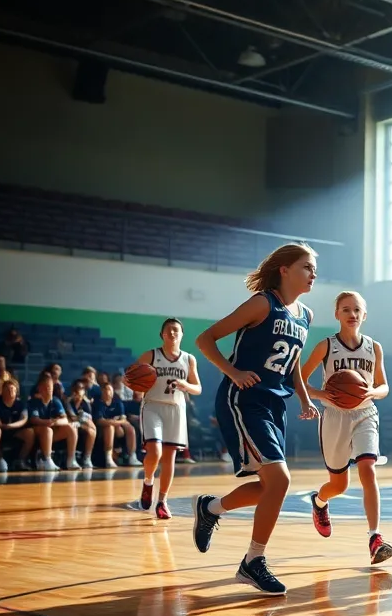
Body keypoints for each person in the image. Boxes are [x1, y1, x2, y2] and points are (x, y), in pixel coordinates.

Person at [191, 242, 320, 596]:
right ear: (285, 269)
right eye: (307, 267)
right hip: (244, 400)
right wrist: (232, 372)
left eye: (314, 268)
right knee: (280, 481)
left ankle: (210, 508)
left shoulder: (305, 315)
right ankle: (253, 562)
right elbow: (205, 339)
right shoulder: (263, 303)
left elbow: (291, 363)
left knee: (268, 486)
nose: (313, 274)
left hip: (275, 404)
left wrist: (305, 399)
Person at [301, 291, 392, 564]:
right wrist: (320, 395)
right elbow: (301, 380)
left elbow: (384, 386)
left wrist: (372, 393)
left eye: (356, 310)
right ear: (337, 314)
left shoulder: (374, 347)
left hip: (366, 413)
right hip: (335, 417)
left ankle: (375, 537)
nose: (352, 314)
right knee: (339, 485)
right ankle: (319, 501)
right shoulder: (326, 346)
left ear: (364, 315)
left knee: (368, 468)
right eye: (346, 309)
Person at [136, 319, 200, 519]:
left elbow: (198, 388)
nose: (172, 333)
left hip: (176, 409)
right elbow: (134, 381)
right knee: (154, 451)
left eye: (176, 330)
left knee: (170, 457)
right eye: (168, 330)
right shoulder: (150, 355)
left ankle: (162, 501)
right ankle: (148, 482)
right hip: (153, 405)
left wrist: (185, 385)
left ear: (182, 335)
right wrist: (135, 385)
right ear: (162, 334)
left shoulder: (189, 359)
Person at [27, 371, 78, 471]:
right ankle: (47, 460)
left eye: (50, 387)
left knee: (71, 427)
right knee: (47, 430)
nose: (48, 390)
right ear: (39, 389)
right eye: (45, 387)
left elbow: (65, 419)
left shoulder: (55, 400)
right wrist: (49, 422)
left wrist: (54, 422)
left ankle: (71, 459)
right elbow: (34, 420)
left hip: (51, 430)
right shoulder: (34, 401)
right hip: (37, 432)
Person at [0, 379, 34, 472]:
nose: (10, 391)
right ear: (2, 391)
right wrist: (4, 426)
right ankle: (0, 460)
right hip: (0, 430)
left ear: (16, 391)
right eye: (7, 389)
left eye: (13, 389)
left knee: (30, 433)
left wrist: (10, 426)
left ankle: (20, 460)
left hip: (14, 430)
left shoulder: (21, 404)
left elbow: (23, 419)